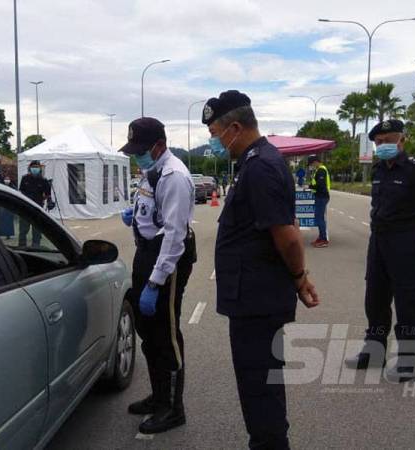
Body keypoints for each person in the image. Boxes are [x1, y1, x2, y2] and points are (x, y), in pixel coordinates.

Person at [202, 90, 319, 449]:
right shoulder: (256, 162)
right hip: (253, 296)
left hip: (258, 300)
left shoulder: (262, 166)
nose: (214, 144)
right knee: (259, 382)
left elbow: (286, 235)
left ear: (235, 127)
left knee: (259, 385)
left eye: (215, 135)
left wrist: (300, 278)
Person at [345, 119, 415, 383]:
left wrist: (407, 227)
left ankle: (409, 360)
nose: (383, 145)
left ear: (402, 140)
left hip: (405, 241)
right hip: (378, 241)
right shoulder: (379, 170)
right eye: (378, 141)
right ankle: (374, 350)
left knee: (407, 300)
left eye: (388, 140)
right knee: (375, 298)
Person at [119, 117, 196, 435]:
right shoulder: (152, 170)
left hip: (169, 257)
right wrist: (135, 217)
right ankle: (158, 394)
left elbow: (175, 235)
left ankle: (173, 408)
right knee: (147, 329)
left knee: (165, 333)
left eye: (141, 150)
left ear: (159, 145)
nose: (137, 156)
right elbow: (153, 209)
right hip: (148, 250)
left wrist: (156, 280)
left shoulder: (174, 174)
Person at [18, 160, 51, 247]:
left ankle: (36, 245)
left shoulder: (43, 180)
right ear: (29, 168)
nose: (35, 169)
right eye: (33, 167)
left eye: (36, 167)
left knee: (37, 228)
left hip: (38, 207)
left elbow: (48, 194)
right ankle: (22, 245)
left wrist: (49, 201)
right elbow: (21, 191)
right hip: (25, 206)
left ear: (40, 168)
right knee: (23, 228)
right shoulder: (25, 178)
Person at [307, 155, 331, 248]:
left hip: (322, 197)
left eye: (312, 164)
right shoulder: (319, 170)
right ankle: (321, 237)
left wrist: (310, 187)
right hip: (320, 196)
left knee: (319, 218)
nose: (311, 166)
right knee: (318, 218)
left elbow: (320, 185)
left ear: (316, 162)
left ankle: (324, 239)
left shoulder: (321, 170)